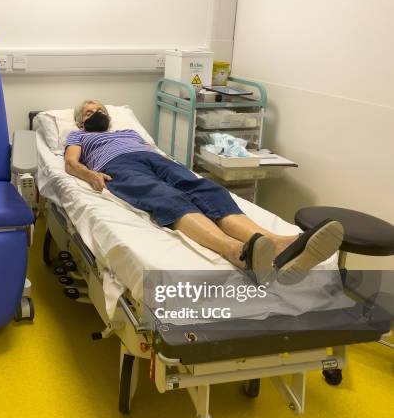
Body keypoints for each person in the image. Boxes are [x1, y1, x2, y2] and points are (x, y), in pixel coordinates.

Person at [63, 100, 343, 284]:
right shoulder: (79, 136)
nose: (96, 114)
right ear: (80, 122)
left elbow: (153, 151)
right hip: (117, 165)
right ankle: (237, 252)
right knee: (166, 198)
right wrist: (90, 174)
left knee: (206, 189)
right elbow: (71, 163)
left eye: (99, 110)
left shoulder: (131, 134)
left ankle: (277, 243)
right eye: (89, 113)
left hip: (156, 159)